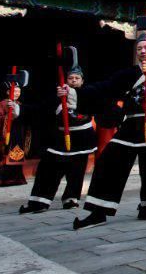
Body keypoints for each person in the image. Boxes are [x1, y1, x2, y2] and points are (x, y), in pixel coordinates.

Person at [59, 34, 146, 230]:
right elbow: (104, 89)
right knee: (110, 161)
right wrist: (74, 93)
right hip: (132, 125)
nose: (143, 51)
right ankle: (98, 211)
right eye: (139, 48)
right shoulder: (128, 74)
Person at [19, 67, 97, 213]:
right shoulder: (57, 94)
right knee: (49, 168)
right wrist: (56, 97)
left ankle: (71, 199)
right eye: (70, 78)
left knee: (77, 170)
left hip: (82, 138)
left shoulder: (88, 93)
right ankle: (39, 201)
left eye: (77, 78)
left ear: (82, 81)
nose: (73, 81)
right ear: (65, 80)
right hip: (59, 138)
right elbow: (42, 109)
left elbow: (95, 104)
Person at [0, 79, 30, 188]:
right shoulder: (3, 104)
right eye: (15, 91)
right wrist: (8, 118)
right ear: (8, 92)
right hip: (2, 136)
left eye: (19, 91)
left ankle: (14, 180)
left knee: (15, 155)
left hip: (16, 134)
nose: (17, 93)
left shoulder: (19, 104)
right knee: (1, 157)